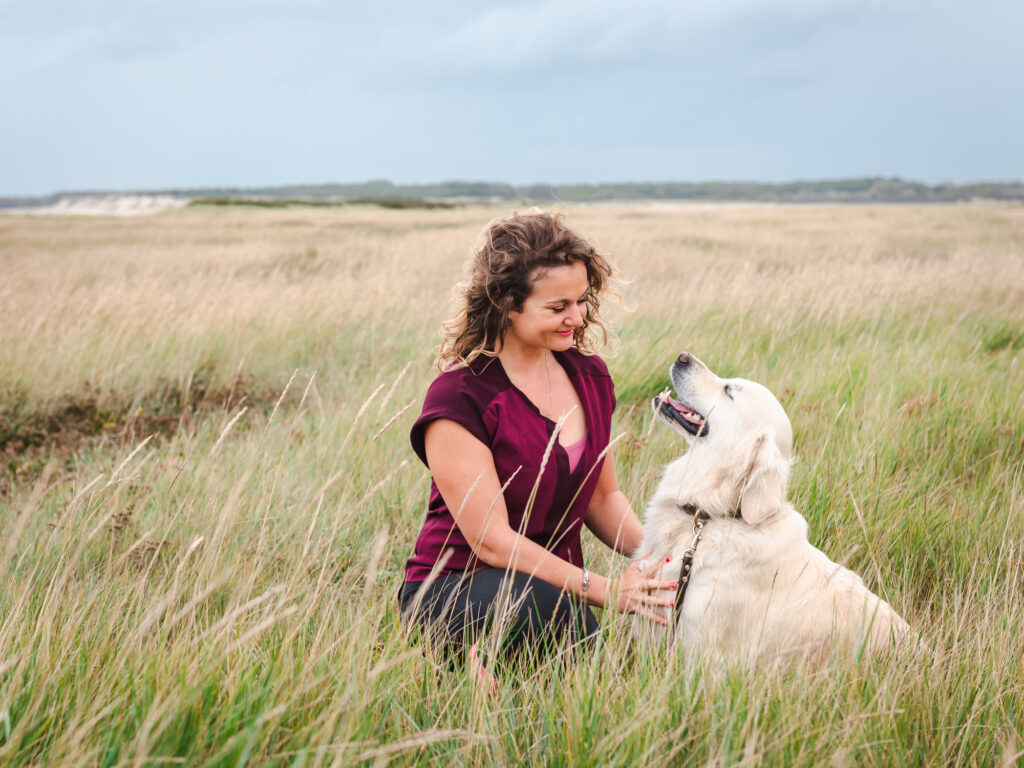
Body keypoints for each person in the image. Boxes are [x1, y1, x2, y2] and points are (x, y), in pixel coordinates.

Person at [398, 211, 675, 674]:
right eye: (557, 306)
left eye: (582, 300)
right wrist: (607, 589)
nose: (577, 316)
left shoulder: (590, 376)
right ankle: (469, 677)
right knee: (551, 614)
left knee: (568, 628)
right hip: (458, 588)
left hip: (558, 593)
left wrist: (666, 559)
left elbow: (603, 498)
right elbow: (491, 542)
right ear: (508, 303)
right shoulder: (460, 397)